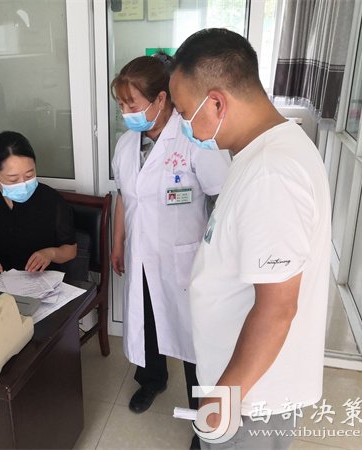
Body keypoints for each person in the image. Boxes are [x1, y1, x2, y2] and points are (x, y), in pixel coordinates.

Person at [169, 29, 331, 449]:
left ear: (217, 102)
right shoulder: (263, 151)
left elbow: (277, 308)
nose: (184, 125)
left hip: (253, 397)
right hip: (239, 380)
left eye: (184, 112)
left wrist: (225, 396)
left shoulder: (270, 174)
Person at [110, 53, 230, 425]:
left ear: (161, 99)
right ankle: (152, 380)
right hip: (141, 254)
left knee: (195, 338)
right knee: (147, 320)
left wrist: (220, 259)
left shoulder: (195, 140)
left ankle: (202, 413)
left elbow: (222, 200)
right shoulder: (125, 145)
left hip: (185, 260)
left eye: (132, 104)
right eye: (121, 105)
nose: (125, 112)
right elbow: (124, 197)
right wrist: (118, 243)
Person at [0, 131, 77, 276]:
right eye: (13, 179)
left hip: (43, 279)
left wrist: (51, 253)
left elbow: (70, 250)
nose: (23, 184)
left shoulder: (51, 199)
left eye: (29, 175)